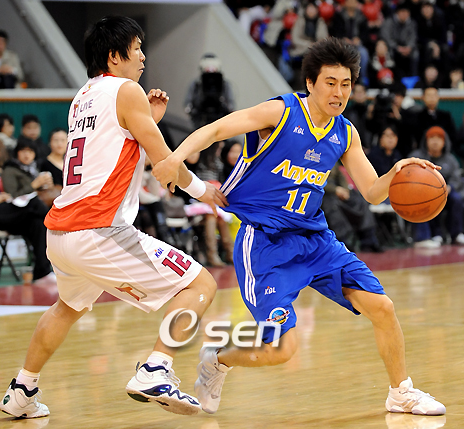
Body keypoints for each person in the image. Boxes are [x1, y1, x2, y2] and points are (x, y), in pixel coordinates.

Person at [152, 37, 446, 417]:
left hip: (316, 240)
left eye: (346, 84)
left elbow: (373, 192)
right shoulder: (280, 112)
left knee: (383, 307)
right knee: (281, 349)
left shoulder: (345, 133)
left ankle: (400, 393)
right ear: (310, 83)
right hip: (265, 244)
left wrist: (396, 172)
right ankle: (218, 360)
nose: (339, 93)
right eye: (330, 83)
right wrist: (174, 158)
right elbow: (215, 129)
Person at [0, 15, 226, 419]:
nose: (143, 57)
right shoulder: (127, 90)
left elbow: (115, 148)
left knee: (66, 308)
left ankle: (22, 390)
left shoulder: (83, 96)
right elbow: (165, 163)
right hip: (97, 229)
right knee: (200, 284)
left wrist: (147, 120)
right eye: (136, 49)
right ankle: (156, 369)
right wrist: (203, 191)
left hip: (62, 233)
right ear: (114, 56)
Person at [409, 125, 464, 247]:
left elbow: (456, 177)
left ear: (444, 142)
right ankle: (433, 235)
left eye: (439, 138)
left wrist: (449, 187)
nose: (435, 141)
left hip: (446, 193)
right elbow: (409, 176)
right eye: (432, 138)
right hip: (423, 193)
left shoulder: (451, 159)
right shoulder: (416, 157)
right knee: (424, 200)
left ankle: (456, 234)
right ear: (426, 141)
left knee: (457, 199)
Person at [0, 186, 52, 282]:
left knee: (37, 223)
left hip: (14, 215)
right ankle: (49, 214)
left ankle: (42, 273)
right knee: (33, 205)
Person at [322, 162, 383, 252]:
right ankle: (343, 241)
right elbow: (313, 182)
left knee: (361, 201)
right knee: (332, 205)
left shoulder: (331, 158)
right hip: (324, 193)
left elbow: (340, 176)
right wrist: (335, 190)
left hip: (339, 190)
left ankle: (368, 238)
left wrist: (345, 190)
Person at [184, 53, 235, 129]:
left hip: (220, 121)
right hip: (200, 121)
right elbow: (188, 104)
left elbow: (231, 105)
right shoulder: (196, 84)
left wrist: (225, 106)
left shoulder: (224, 85)